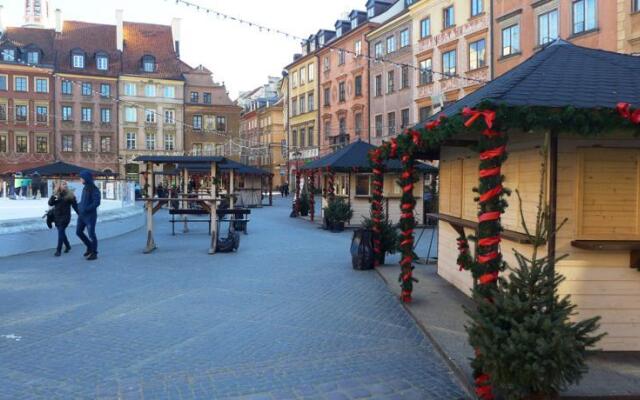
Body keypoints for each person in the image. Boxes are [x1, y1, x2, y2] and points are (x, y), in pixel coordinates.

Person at [48, 181, 78, 257]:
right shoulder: (57, 195)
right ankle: (68, 246)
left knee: (61, 231)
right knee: (61, 232)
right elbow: (50, 203)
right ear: (59, 186)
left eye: (66, 184)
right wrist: (54, 196)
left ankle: (58, 250)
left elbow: (75, 206)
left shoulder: (70, 194)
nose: (65, 185)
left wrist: (80, 214)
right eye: (63, 184)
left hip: (66, 217)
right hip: (56, 216)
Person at [76, 170, 101, 261]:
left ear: (86, 178)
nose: (80, 179)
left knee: (91, 234)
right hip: (82, 215)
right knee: (78, 232)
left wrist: (86, 209)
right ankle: (89, 246)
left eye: (81, 177)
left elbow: (97, 202)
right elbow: (84, 201)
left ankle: (94, 253)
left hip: (90, 216)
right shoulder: (85, 188)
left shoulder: (94, 189)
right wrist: (79, 206)